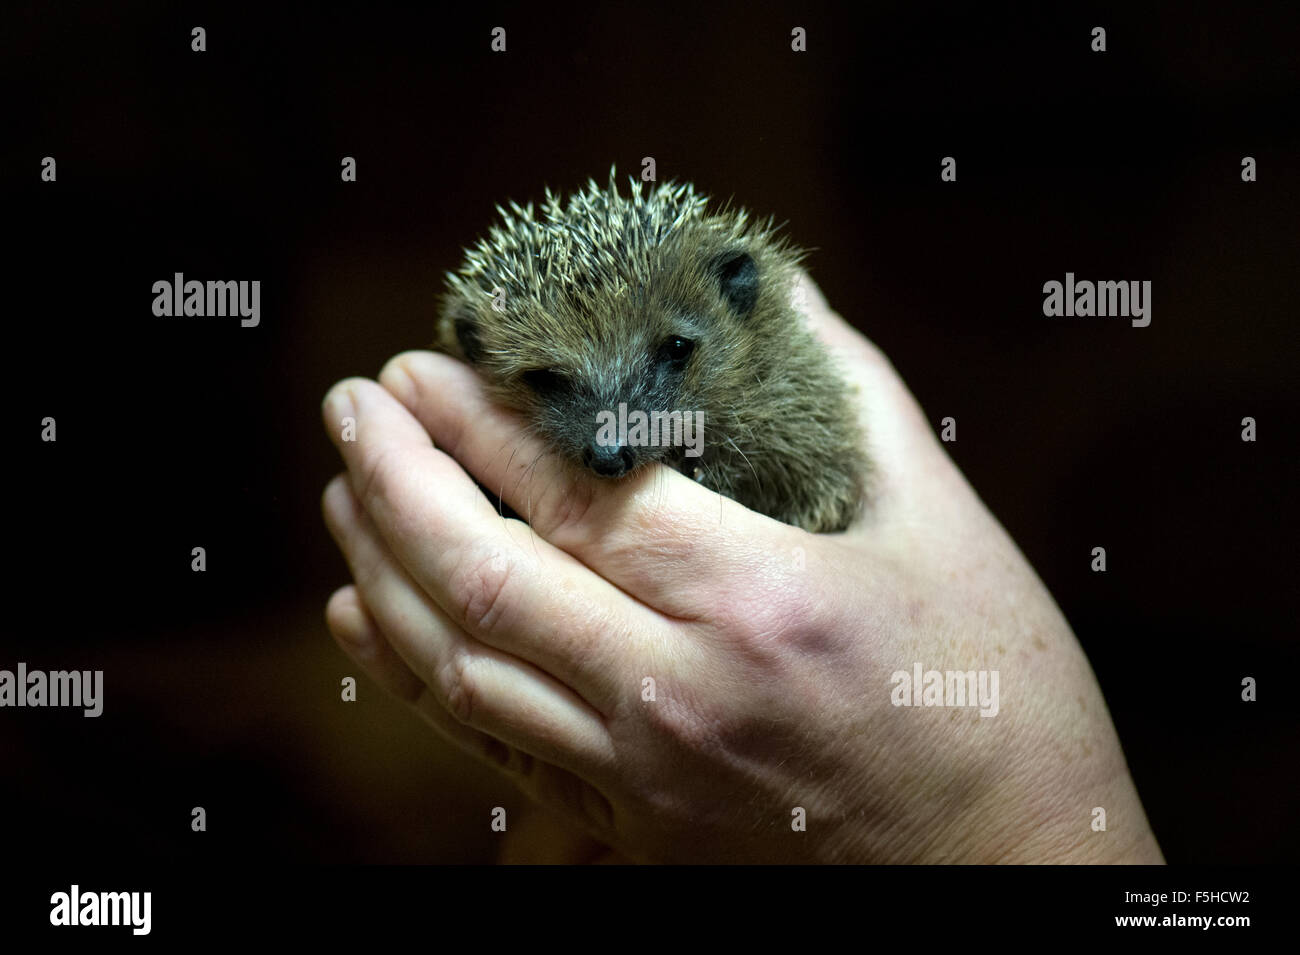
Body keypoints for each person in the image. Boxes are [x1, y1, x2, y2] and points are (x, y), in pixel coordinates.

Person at [320, 276, 1164, 864]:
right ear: (477, 351)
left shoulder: (783, 395)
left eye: (671, 356)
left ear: (740, 299)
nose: (612, 434)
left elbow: (821, 489)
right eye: (550, 380)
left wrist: (1002, 830)